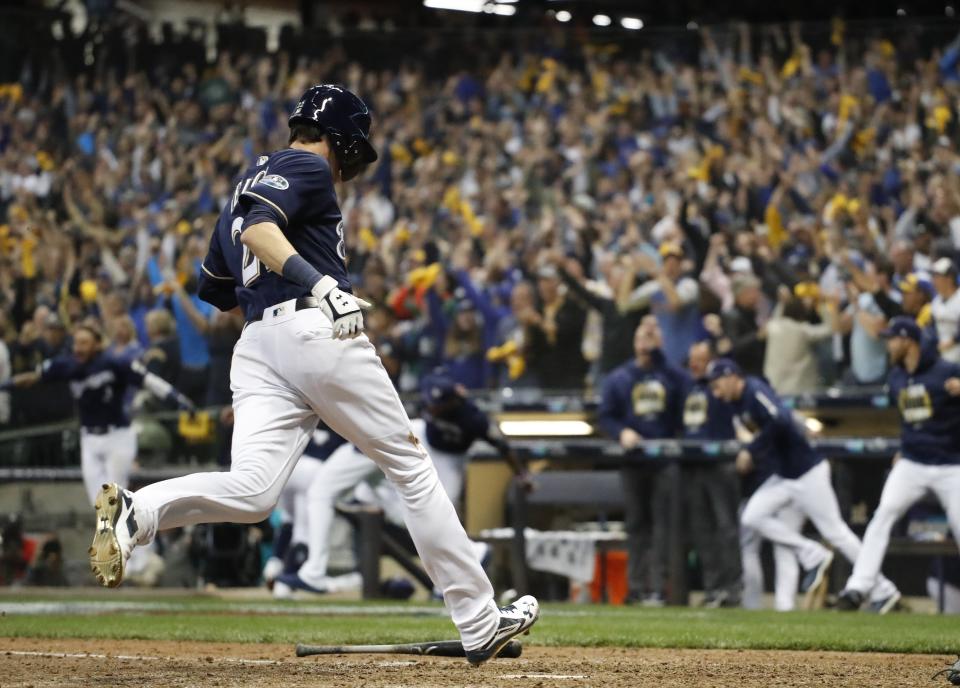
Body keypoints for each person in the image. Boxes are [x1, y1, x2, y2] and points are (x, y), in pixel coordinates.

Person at [88, 84, 538, 665]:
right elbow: (259, 232)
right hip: (312, 327)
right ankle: (478, 618)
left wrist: (275, 316)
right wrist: (318, 286)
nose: (353, 160)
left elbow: (215, 287)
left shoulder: (240, 189)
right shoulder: (303, 162)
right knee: (409, 463)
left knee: (253, 491)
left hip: (257, 343)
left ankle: (139, 511)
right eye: (353, 145)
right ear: (337, 137)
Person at [274, 369, 529, 596]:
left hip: (449, 458)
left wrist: (521, 475)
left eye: (438, 404)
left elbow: (504, 447)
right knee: (337, 491)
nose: (432, 407)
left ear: (454, 399)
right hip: (411, 436)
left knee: (431, 511)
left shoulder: (473, 418)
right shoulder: (428, 387)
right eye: (430, 402)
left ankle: (463, 564)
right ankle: (314, 571)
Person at [707, 358, 901, 611]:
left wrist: (752, 449)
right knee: (752, 516)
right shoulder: (736, 403)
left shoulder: (753, 390)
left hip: (806, 472)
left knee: (836, 533)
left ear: (732, 376)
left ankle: (884, 589)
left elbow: (781, 420)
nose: (715, 392)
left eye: (717, 383)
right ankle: (812, 553)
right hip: (784, 476)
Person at [837, 316, 960, 611]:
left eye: (892, 338)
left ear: (908, 340)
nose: (888, 344)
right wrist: (904, 449)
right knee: (884, 514)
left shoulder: (948, 371)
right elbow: (908, 421)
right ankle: (858, 587)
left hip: (951, 464)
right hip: (912, 462)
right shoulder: (896, 378)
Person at [5, 323, 195, 504]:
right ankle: (120, 537)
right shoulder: (66, 365)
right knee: (97, 503)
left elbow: (148, 380)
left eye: (84, 343)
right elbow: (33, 378)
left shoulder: (114, 363)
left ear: (97, 344)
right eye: (76, 343)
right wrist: (5, 386)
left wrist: (178, 399)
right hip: (89, 439)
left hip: (117, 436)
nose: (78, 348)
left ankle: (133, 537)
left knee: (114, 500)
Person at [598, 316, 687, 605]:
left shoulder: (671, 373)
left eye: (653, 336)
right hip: (633, 460)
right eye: (642, 336)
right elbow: (605, 415)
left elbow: (686, 391)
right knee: (636, 526)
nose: (646, 342)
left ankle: (660, 588)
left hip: (664, 460)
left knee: (664, 526)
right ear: (633, 342)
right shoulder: (619, 377)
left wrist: (657, 353)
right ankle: (635, 588)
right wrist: (621, 431)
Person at [681, 340, 742, 608]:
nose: (696, 364)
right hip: (694, 465)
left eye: (702, 359)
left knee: (726, 528)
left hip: (721, 463)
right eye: (693, 358)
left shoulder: (720, 390)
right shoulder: (687, 386)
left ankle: (732, 589)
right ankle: (712, 588)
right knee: (701, 530)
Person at [931, 257, 960, 363]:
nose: (934, 280)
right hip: (943, 357)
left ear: (949, 278)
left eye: (937, 277)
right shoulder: (936, 302)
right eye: (934, 277)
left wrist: (951, 342)